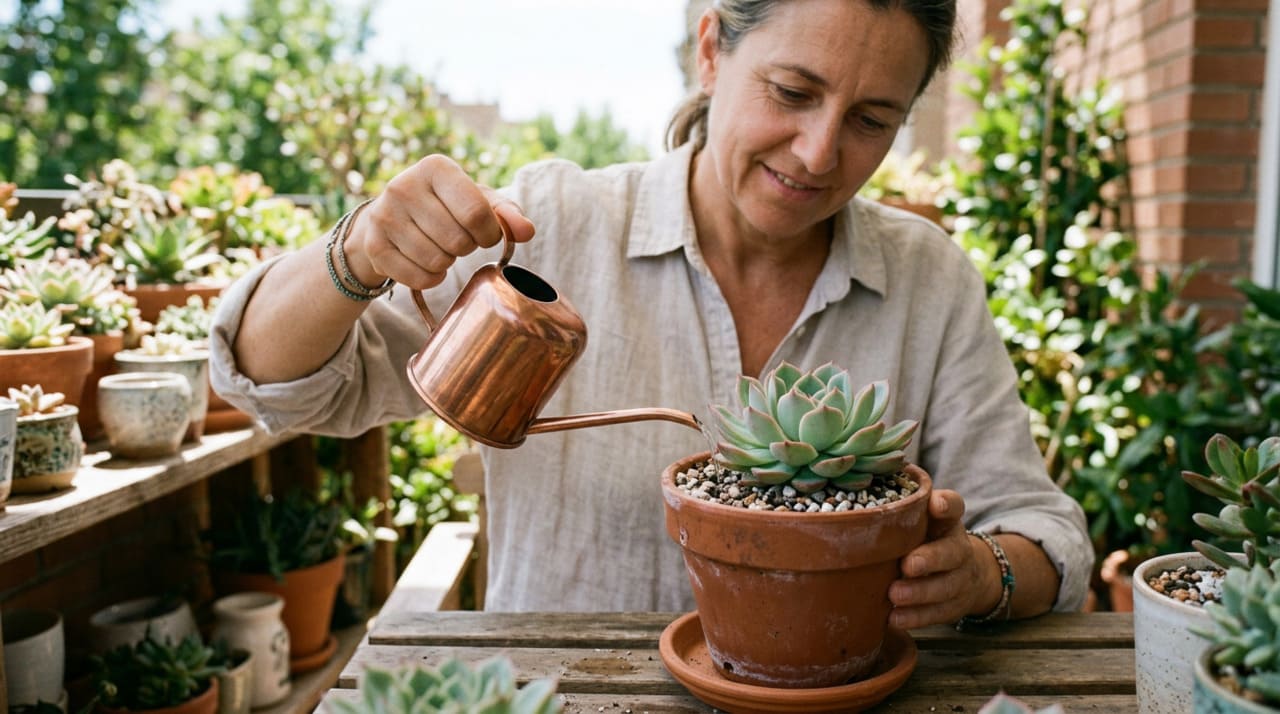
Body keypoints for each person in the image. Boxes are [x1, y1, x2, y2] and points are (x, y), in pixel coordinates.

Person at [210, 0, 1092, 626]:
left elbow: (1045, 531)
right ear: (711, 53)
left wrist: (982, 575)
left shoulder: (927, 278)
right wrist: (356, 253)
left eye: (871, 120)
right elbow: (276, 386)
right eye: (792, 92)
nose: (819, 153)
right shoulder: (555, 227)